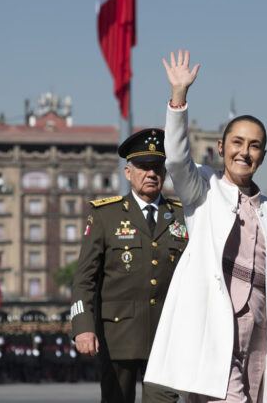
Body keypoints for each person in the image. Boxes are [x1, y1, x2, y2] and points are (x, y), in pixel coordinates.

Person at [144, 50, 267, 402]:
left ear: (263, 156)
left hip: (257, 333)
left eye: (254, 146)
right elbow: (177, 158)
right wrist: (179, 96)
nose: (245, 152)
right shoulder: (204, 188)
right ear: (221, 147)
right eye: (237, 143)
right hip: (212, 327)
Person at [70, 128, 187, 403]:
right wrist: (82, 326)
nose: (151, 174)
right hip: (117, 337)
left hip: (166, 338)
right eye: (143, 167)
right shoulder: (105, 215)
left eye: (157, 167)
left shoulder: (182, 215)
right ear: (128, 172)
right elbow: (84, 279)